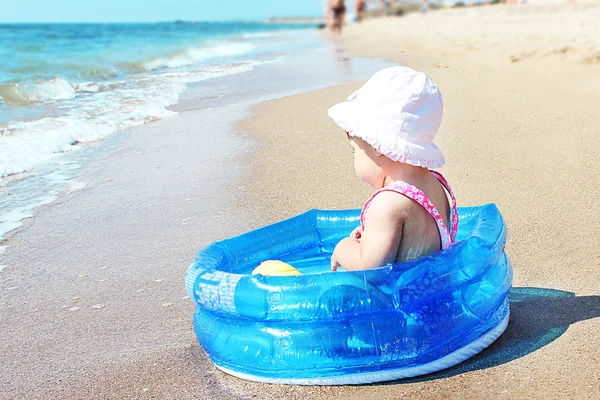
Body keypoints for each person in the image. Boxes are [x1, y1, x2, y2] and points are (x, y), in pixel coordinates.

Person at [327, 66, 458, 271]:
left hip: (402, 302)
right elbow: (414, 241)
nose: (354, 157)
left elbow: (367, 269)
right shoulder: (435, 186)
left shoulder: (387, 204)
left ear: (378, 147)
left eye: (354, 150)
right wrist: (372, 236)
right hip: (433, 293)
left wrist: (343, 249)